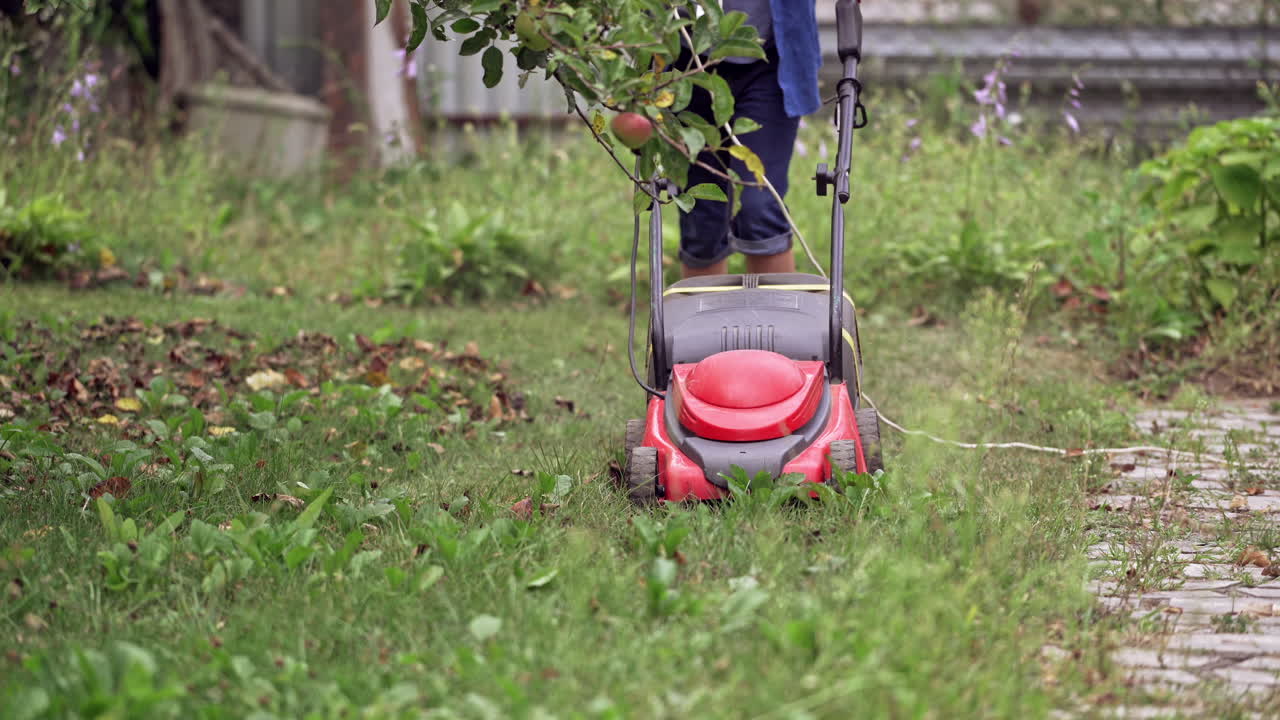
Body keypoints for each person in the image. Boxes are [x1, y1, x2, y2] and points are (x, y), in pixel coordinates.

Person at [677, 1, 822, 279]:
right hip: (682, 59)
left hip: (769, 57)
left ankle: (775, 320)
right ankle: (703, 320)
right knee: (700, 217)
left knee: (760, 206)